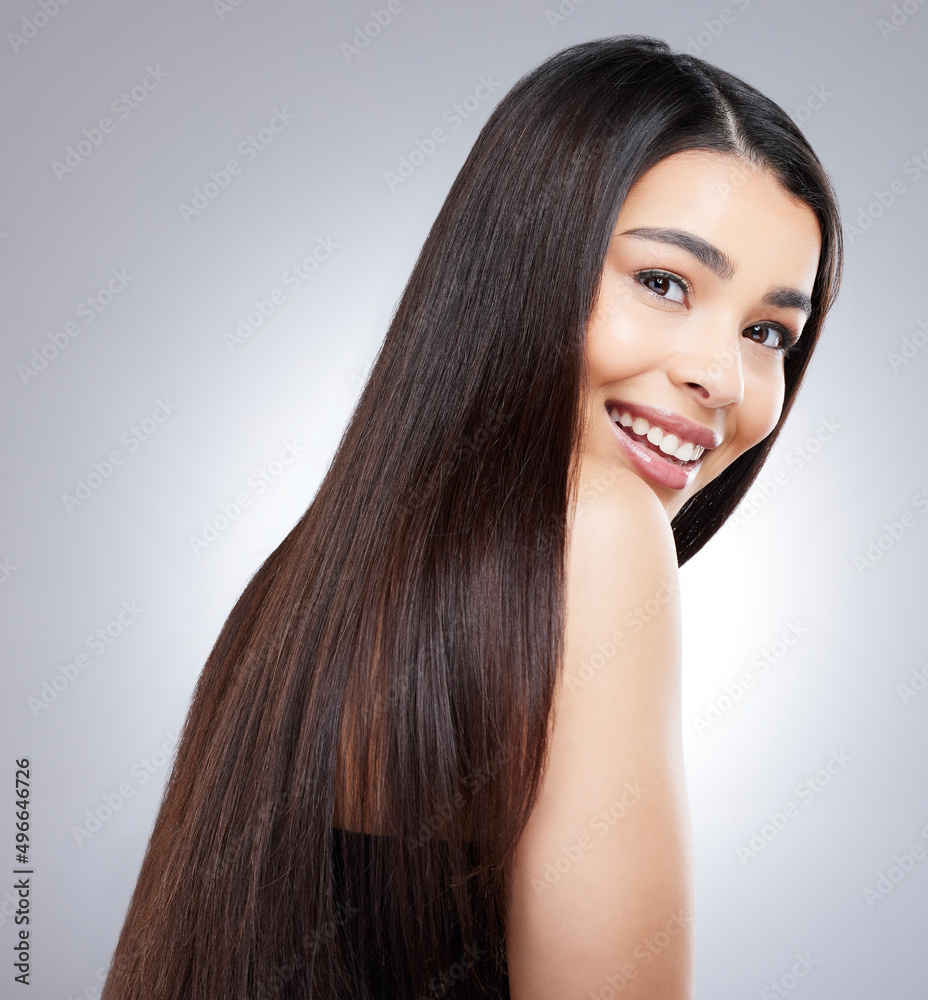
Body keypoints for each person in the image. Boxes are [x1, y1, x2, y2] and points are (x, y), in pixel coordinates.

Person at [101, 34, 842, 1000]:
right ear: (526, 261)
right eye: (664, 283)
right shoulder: (600, 536)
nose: (723, 376)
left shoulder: (297, 591)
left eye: (767, 332)